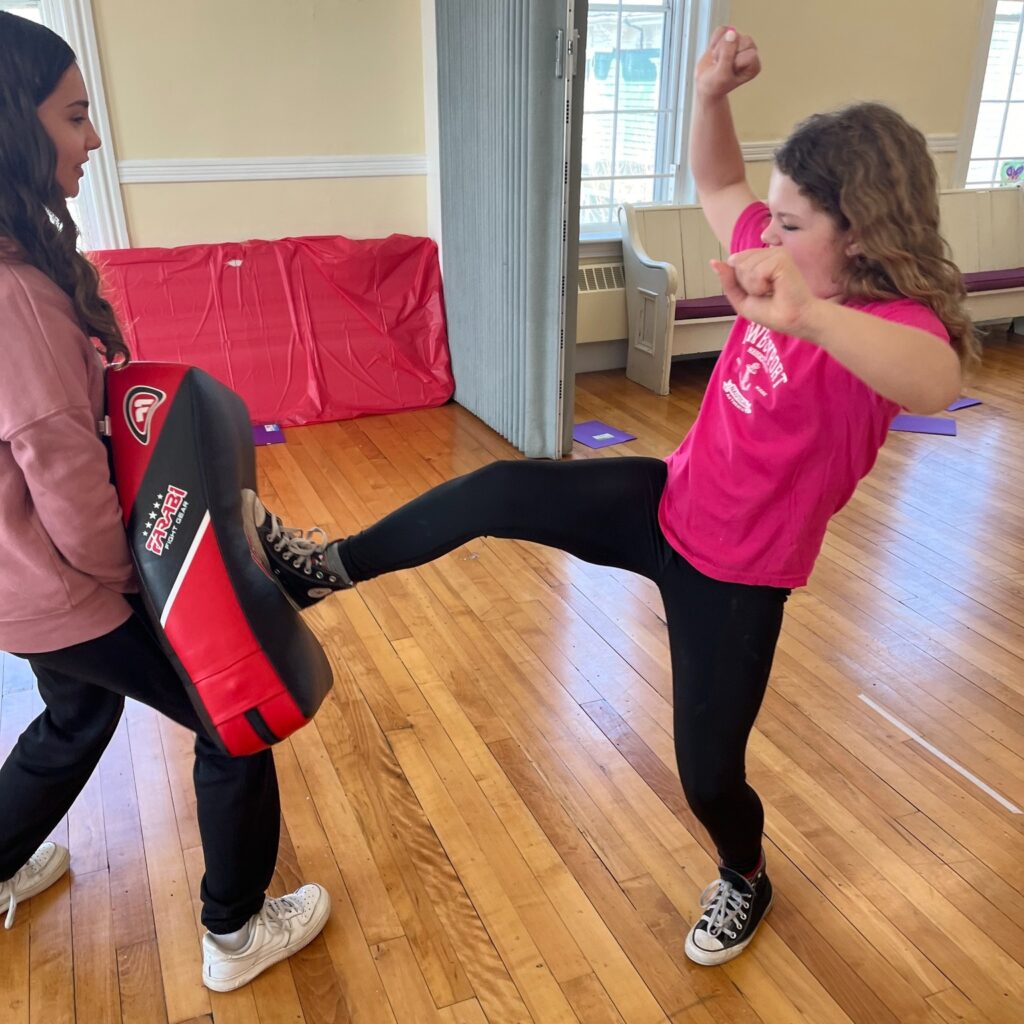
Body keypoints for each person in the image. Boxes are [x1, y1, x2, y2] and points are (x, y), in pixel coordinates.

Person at [247, 25, 978, 967]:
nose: (771, 235)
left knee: (708, 774)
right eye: (780, 217)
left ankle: (744, 876)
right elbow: (721, 186)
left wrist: (811, 313)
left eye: (795, 225)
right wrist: (710, 96)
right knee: (499, 488)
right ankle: (321, 571)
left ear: (865, 229)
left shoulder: (885, 323)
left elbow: (933, 380)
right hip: (663, 504)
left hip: (738, 577)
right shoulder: (777, 250)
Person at [0, 13, 330, 992]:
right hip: (71, 583)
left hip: (23, 589)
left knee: (73, 721)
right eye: (74, 117)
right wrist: (149, 585)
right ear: (15, 128)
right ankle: (234, 931)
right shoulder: (17, 295)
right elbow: (61, 472)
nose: (93, 139)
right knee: (237, 713)